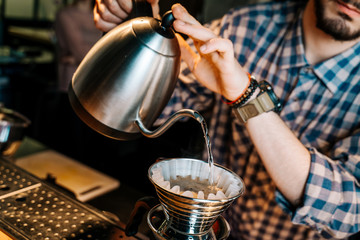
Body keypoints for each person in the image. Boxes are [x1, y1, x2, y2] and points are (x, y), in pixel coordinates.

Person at [94, 0, 360, 239]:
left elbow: (351, 211)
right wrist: (136, 44)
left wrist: (245, 95)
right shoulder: (244, 26)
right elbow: (142, 111)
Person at [55, 0, 102, 92]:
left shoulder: (102, 15)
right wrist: (107, 56)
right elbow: (80, 51)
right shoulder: (65, 14)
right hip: (74, 81)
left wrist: (76, 59)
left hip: (98, 80)